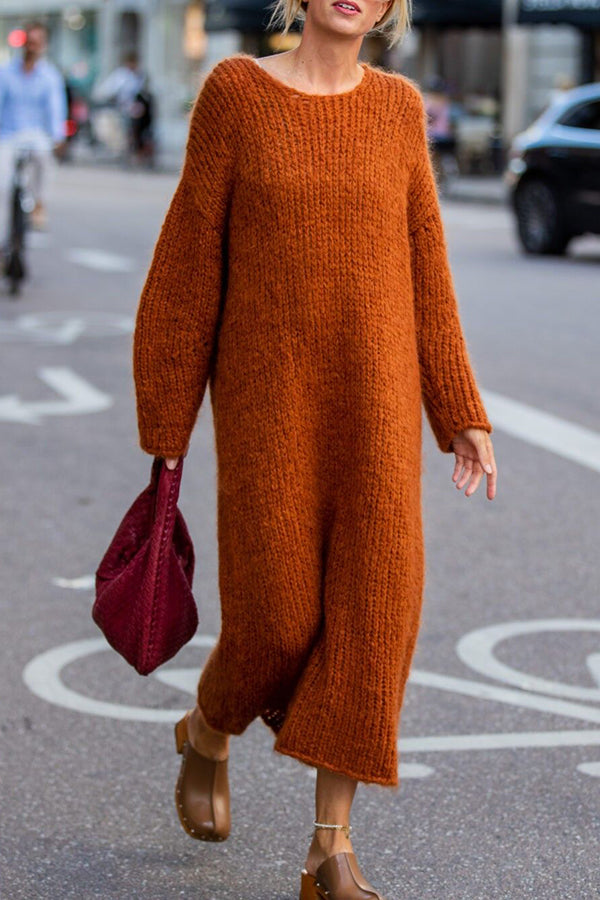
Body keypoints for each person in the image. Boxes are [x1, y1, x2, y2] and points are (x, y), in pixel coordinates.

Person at [132, 0, 498, 897]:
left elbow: (426, 266)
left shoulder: (400, 108)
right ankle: (208, 729)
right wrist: (166, 429)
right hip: (268, 412)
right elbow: (188, 263)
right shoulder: (236, 94)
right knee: (276, 622)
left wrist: (459, 406)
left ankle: (329, 847)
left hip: (374, 413)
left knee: (374, 619)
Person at [0, 20, 67, 245]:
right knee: (2, 184)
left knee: (44, 160)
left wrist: (58, 137)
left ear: (44, 45)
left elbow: (55, 109)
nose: (32, 47)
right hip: (8, 136)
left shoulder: (50, 76)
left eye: (37, 42)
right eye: (30, 42)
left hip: (36, 136)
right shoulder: (6, 73)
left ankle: (39, 205)